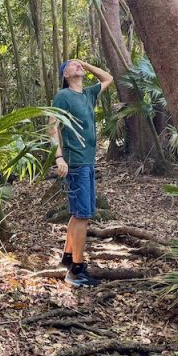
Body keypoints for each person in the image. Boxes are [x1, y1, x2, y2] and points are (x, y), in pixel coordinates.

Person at [48, 58, 113, 287]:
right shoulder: (63, 96)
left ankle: (67, 257)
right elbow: (52, 127)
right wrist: (58, 157)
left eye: (79, 64)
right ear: (65, 75)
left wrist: (85, 63)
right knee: (83, 215)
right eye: (71, 64)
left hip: (88, 161)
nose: (77, 65)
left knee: (78, 214)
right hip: (75, 162)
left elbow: (108, 78)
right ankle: (76, 271)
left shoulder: (88, 94)